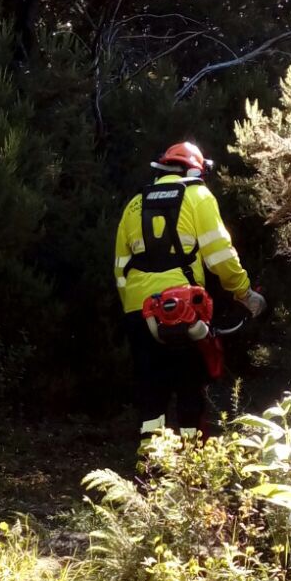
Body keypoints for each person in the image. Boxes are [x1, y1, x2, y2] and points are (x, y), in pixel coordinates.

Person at [115, 140, 265, 439]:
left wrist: (134, 310)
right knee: (189, 386)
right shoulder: (198, 195)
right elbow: (220, 255)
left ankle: (150, 466)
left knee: (151, 389)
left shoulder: (134, 203)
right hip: (184, 308)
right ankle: (190, 469)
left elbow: (120, 267)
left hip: (138, 309)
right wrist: (244, 293)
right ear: (195, 169)